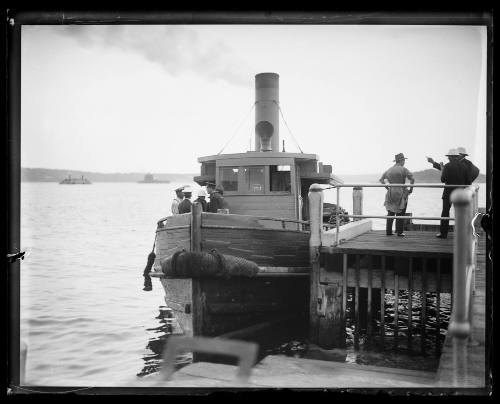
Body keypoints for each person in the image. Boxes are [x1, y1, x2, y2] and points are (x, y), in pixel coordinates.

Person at [437, 148, 470, 239]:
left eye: (448, 157)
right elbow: (469, 182)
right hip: (459, 193)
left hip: (448, 193)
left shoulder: (447, 166)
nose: (448, 159)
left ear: (450, 157)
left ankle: (443, 234)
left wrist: (442, 169)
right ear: (457, 156)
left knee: (445, 213)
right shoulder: (464, 167)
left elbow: (443, 180)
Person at [379, 153, 415, 237]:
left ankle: (388, 231)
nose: (404, 162)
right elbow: (412, 179)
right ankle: (399, 231)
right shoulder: (403, 169)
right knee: (401, 212)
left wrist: (388, 188)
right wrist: (411, 189)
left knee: (390, 212)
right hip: (401, 190)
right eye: (404, 160)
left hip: (391, 191)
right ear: (401, 160)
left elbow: (381, 180)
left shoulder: (389, 170)